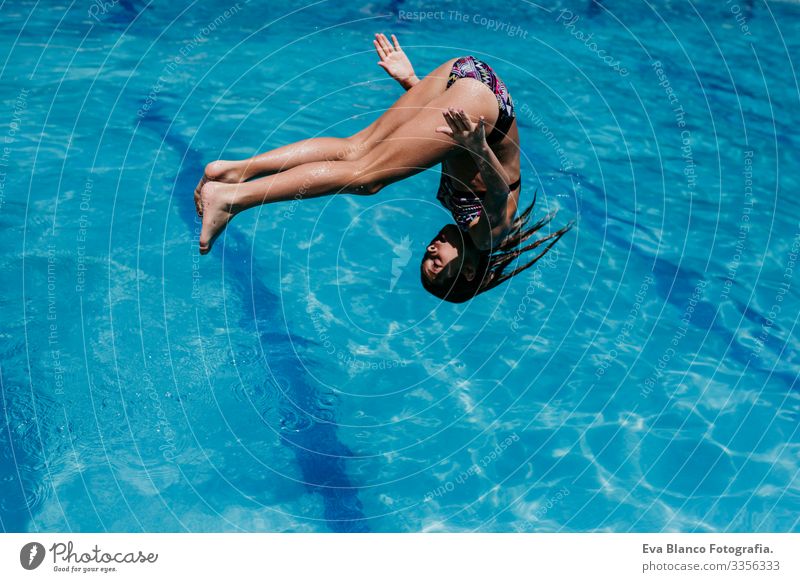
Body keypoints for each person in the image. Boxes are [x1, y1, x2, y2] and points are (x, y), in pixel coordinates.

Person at [195, 33, 572, 302]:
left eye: (426, 259)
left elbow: (441, 135)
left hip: (467, 77)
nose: (430, 251)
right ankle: (232, 199)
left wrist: (411, 82)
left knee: (354, 149)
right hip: (483, 104)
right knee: (367, 179)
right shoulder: (488, 236)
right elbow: (501, 189)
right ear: (468, 272)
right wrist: (478, 146)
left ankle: (233, 170)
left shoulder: (462, 219)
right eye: (437, 265)